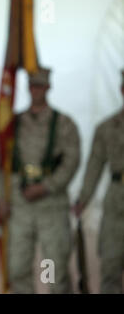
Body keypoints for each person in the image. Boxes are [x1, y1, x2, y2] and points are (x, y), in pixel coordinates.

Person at [0, 67, 80, 293]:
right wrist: (2, 198)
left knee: (52, 270)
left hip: (50, 207)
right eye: (33, 85)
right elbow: (2, 163)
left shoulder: (64, 123)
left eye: (40, 86)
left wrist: (46, 187)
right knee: (18, 268)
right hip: (20, 206)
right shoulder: (13, 123)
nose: (36, 90)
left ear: (48, 87)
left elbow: (71, 161)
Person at [72, 69, 124, 294]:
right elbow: (94, 166)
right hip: (117, 203)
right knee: (111, 267)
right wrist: (82, 200)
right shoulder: (107, 128)